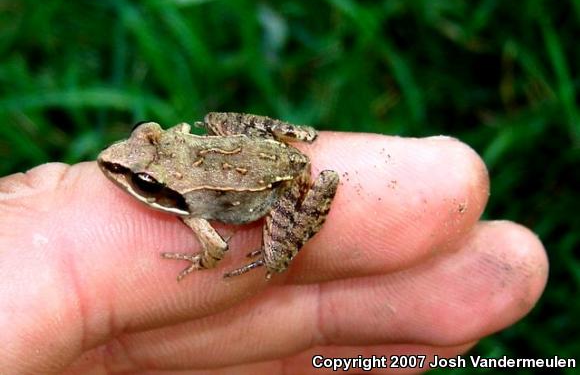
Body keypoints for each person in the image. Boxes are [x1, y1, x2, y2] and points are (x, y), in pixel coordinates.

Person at [0, 133, 548, 373]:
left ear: (161, 188)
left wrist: (200, 261)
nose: (120, 170)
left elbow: (214, 248)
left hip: (274, 190)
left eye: (141, 177)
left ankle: (275, 248)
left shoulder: (193, 214)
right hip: (263, 148)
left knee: (275, 257)